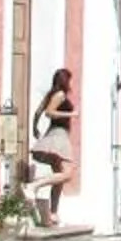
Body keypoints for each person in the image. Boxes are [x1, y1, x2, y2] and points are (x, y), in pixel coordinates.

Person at [31, 68, 77, 223]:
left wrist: (35, 128)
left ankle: (53, 213)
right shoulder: (60, 95)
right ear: (65, 80)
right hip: (59, 135)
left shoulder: (51, 94)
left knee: (59, 175)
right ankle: (34, 186)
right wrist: (71, 114)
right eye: (69, 80)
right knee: (67, 173)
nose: (71, 84)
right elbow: (49, 113)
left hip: (54, 134)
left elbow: (38, 112)